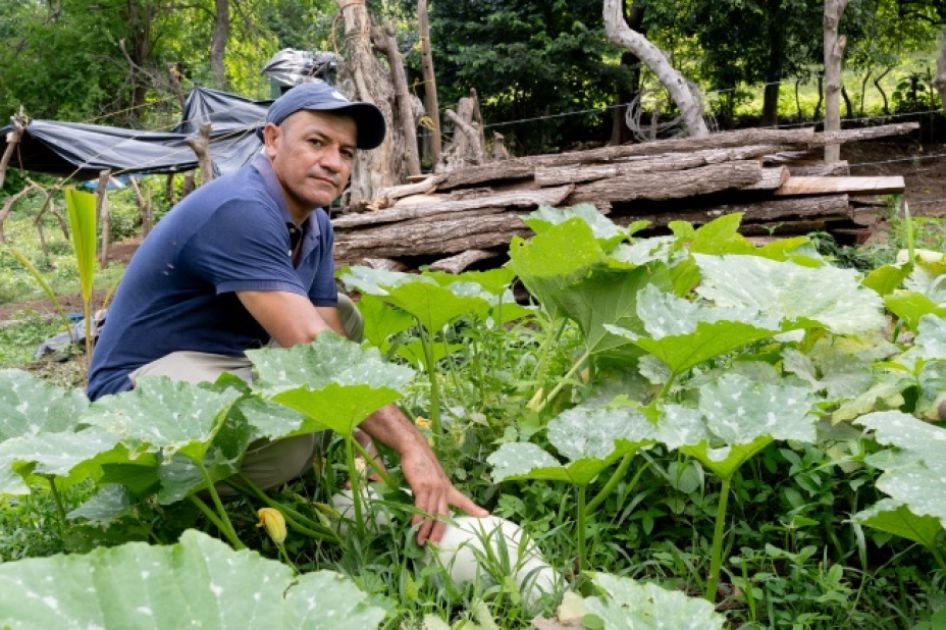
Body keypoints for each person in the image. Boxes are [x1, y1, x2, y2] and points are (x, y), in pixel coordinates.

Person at [87, 81, 487, 545]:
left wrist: (365, 445)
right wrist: (413, 447)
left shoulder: (315, 223)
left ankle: (287, 454)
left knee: (344, 318)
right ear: (272, 139)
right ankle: (167, 486)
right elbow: (311, 345)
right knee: (290, 441)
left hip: (217, 365)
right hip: (135, 393)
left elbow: (330, 334)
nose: (333, 162)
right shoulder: (241, 208)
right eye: (317, 142)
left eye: (346, 152)